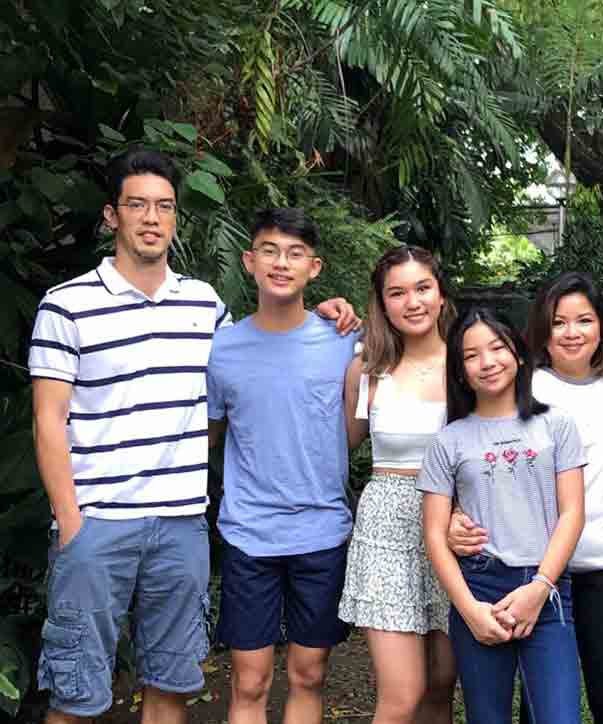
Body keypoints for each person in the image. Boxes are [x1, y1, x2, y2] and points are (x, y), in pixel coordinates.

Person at [28, 148, 358, 724]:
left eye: (164, 206)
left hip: (181, 525)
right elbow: (47, 419)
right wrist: (71, 521)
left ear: (176, 217)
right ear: (111, 215)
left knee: (172, 684)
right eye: (137, 205)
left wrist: (331, 312)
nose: (151, 218)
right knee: (76, 691)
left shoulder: (205, 307)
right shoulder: (66, 305)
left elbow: (264, 365)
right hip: (97, 521)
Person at [448, 272, 603, 724]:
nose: (572, 332)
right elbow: (473, 457)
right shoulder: (523, 390)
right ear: (542, 330)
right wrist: (456, 513)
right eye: (559, 322)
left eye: (584, 320)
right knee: (541, 703)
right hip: (534, 571)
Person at [206, 208, 357, 724]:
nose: (281, 263)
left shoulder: (343, 340)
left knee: (309, 674)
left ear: (314, 268)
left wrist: (342, 311)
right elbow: (210, 434)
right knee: (249, 680)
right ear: (249, 261)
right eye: (269, 251)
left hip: (321, 531)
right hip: (249, 533)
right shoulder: (221, 349)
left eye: (295, 253)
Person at [418, 307, 587, 724]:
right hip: (479, 588)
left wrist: (540, 587)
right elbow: (435, 535)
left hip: (546, 588)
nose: (487, 362)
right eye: (471, 355)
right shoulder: (448, 440)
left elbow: (572, 513)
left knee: (559, 716)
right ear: (459, 371)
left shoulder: (557, 424)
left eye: (497, 348)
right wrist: (469, 609)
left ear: (519, 354)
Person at [337, 245, 458, 724]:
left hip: (455, 526)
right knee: (402, 695)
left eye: (423, 288)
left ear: (441, 294)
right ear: (382, 303)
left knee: (441, 686)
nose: (413, 302)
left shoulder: (469, 363)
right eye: (397, 292)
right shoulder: (367, 370)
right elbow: (337, 447)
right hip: (386, 530)